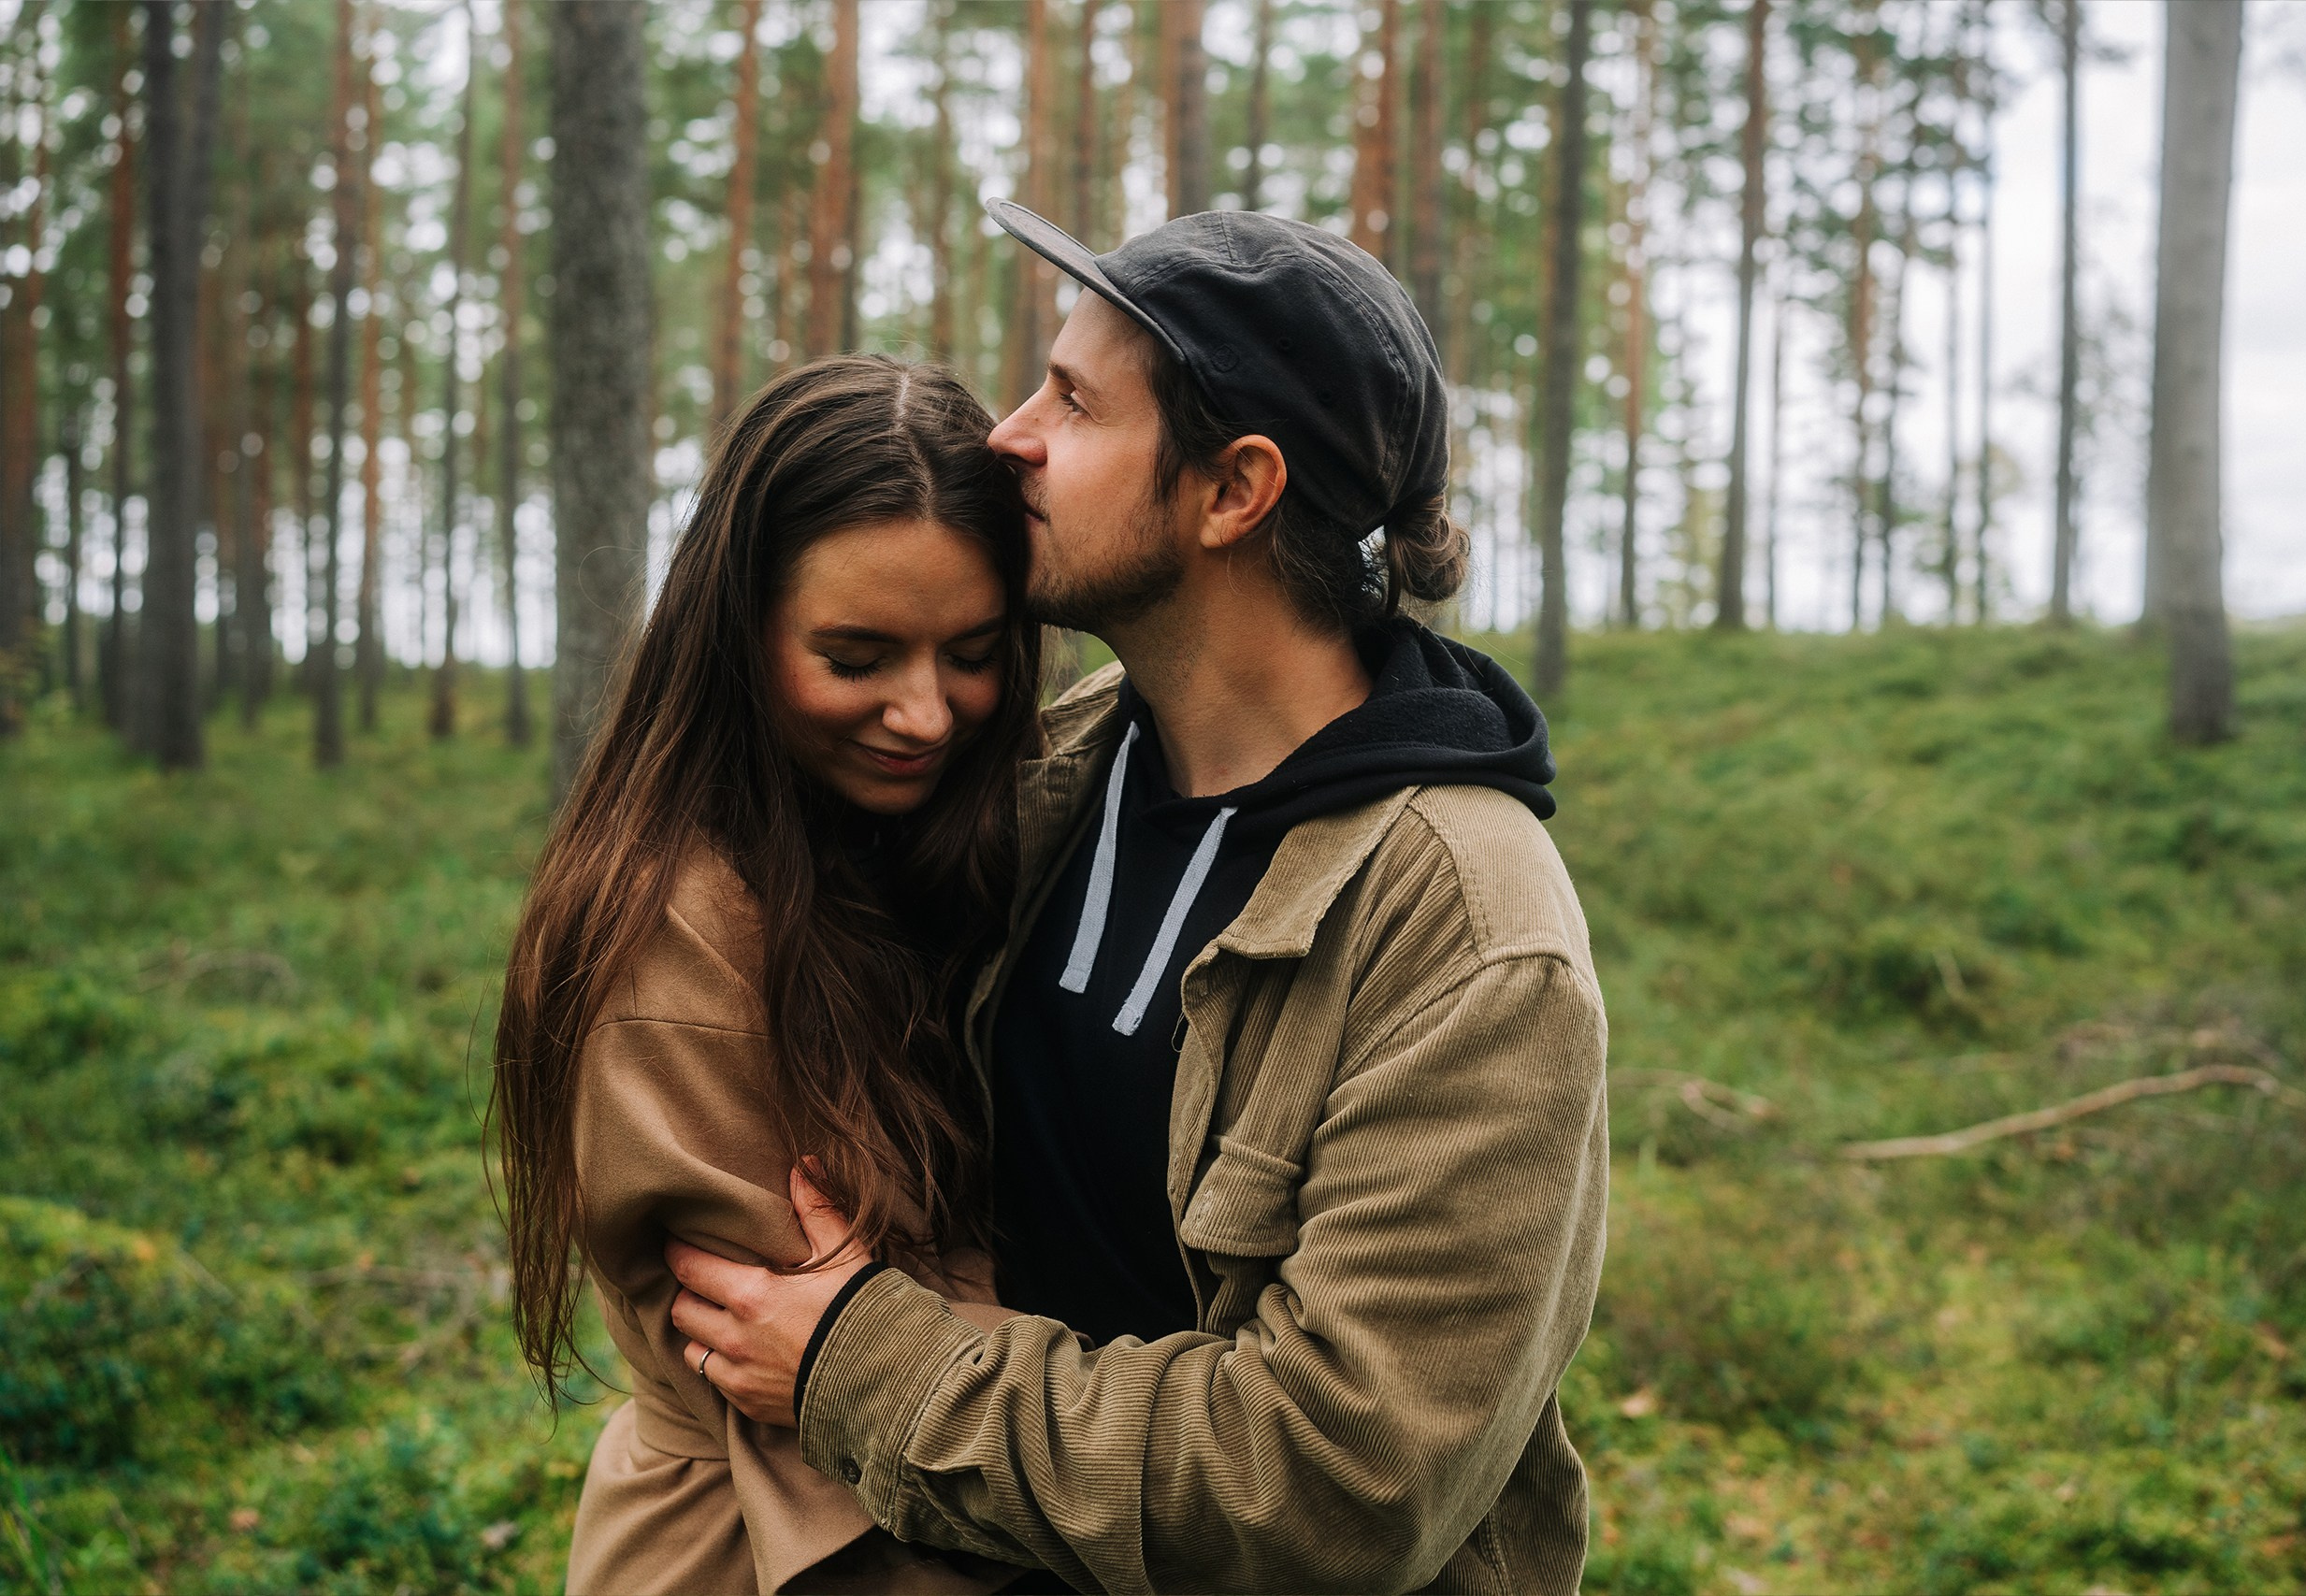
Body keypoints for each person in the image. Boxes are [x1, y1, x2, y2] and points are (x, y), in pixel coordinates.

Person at [668, 207, 1611, 1594]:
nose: (1010, 435)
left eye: (1075, 402)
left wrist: (868, 1364)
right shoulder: (1063, 770)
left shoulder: (1465, 934)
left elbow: (1335, 1486)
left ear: (1233, 488)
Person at [491, 357, 1047, 1595]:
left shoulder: (916, 838)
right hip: (772, 1550)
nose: (927, 715)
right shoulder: (671, 932)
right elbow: (788, 1373)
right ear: (739, 631)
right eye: (856, 658)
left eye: (971, 650)